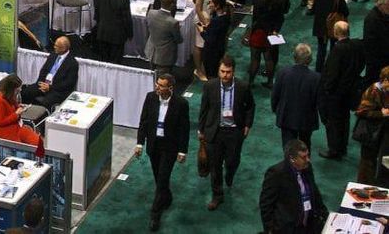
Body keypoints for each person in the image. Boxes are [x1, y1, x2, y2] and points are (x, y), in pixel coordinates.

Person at [198, 56, 255, 211]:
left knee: (232, 161)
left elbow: (250, 106)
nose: (225, 75)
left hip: (235, 132)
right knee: (215, 165)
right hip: (214, 132)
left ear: (233, 71)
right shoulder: (210, 86)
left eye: (228, 72)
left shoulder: (243, 87)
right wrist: (201, 130)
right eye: (222, 71)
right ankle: (217, 195)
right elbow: (204, 109)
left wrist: (248, 125)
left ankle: (229, 174)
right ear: (219, 70)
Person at [135, 73, 189, 232]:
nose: (157, 87)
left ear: (170, 88)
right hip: (154, 145)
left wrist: (182, 150)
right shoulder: (150, 97)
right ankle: (167, 196)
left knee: (163, 178)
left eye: (161, 85)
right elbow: (144, 121)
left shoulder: (181, 103)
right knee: (159, 177)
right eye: (157, 84)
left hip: (169, 147)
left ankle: (155, 214)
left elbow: (184, 128)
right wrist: (139, 143)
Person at [258, 139, 328, 233]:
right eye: (303, 157)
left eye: (308, 155)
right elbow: (266, 204)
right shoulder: (276, 173)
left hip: (308, 224)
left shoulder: (307, 167)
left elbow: (315, 192)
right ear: (292, 158)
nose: (308, 160)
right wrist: (270, 229)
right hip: (288, 228)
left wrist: (325, 215)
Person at [319, 21, 365, 160]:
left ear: (335, 32)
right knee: (344, 120)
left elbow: (332, 73)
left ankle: (334, 149)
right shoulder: (356, 45)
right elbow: (361, 63)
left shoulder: (337, 49)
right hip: (349, 90)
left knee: (333, 121)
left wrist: (327, 89)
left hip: (336, 93)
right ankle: (342, 147)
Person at [272, 44, 321, 152]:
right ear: (310, 60)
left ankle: (289, 162)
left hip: (287, 116)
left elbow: (275, 95)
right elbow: (319, 101)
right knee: (305, 145)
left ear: (294, 57)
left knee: (288, 147)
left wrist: (276, 110)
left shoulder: (283, 73)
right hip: (306, 119)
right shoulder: (316, 78)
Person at [21, 35, 78, 110]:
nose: (54, 47)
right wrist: (41, 83)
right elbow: (44, 70)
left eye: (57, 46)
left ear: (63, 48)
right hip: (44, 84)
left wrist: (50, 87)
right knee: (26, 92)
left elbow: (68, 83)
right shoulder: (53, 55)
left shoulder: (72, 63)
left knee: (45, 102)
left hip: (58, 90)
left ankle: (41, 116)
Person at [354, 65, 389, 183]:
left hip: (383, 133)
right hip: (370, 132)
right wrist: (381, 113)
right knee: (367, 163)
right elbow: (361, 111)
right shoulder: (373, 91)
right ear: (385, 80)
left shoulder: (386, 90)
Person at [94, 0, 133, 64]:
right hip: (117, 36)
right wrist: (130, 33)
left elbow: (97, 11)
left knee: (103, 62)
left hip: (102, 32)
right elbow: (126, 19)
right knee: (115, 63)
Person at [0, 74, 42, 146]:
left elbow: (12, 106)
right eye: (18, 89)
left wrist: (19, 107)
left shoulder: (10, 95)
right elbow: (0, 122)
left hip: (17, 126)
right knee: (36, 143)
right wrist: (16, 114)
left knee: (38, 142)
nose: (20, 90)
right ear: (11, 89)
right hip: (7, 131)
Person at [311, 0, 347, 72]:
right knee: (334, 50)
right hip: (334, 27)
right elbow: (345, 11)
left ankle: (318, 71)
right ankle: (331, 70)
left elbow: (313, 10)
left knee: (321, 51)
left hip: (320, 27)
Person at [145, 0, 182, 75]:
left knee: (152, 77)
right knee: (163, 79)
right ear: (172, 5)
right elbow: (179, 40)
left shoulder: (151, 13)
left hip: (151, 53)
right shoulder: (173, 23)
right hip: (164, 57)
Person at [201, 0, 232, 86]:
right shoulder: (226, 16)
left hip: (212, 52)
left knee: (212, 73)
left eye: (211, 2)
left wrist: (202, 31)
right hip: (220, 49)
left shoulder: (216, 21)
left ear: (217, 5)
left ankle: (213, 89)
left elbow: (210, 40)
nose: (209, 4)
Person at [363, 0, 389, 83]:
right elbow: (371, 43)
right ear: (381, 5)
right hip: (376, 60)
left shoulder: (384, 14)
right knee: (373, 81)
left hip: (383, 57)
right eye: (388, 4)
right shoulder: (372, 19)